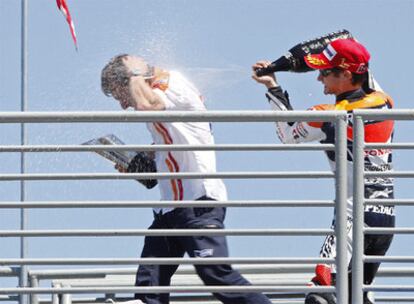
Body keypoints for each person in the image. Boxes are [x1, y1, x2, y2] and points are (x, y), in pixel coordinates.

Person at [101, 54, 272, 304]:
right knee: (149, 285)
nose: (123, 106)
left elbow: (147, 107)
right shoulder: (159, 92)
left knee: (217, 275)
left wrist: (133, 76)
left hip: (198, 204)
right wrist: (137, 163)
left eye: (121, 95)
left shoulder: (172, 86)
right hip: (171, 211)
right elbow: (169, 148)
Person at [252, 38, 395, 304]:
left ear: (346, 74)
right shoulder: (384, 101)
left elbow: (286, 134)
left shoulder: (327, 114)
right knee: (354, 297)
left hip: (353, 218)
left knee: (320, 295)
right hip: (386, 220)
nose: (319, 78)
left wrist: (273, 85)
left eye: (325, 72)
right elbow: (359, 59)